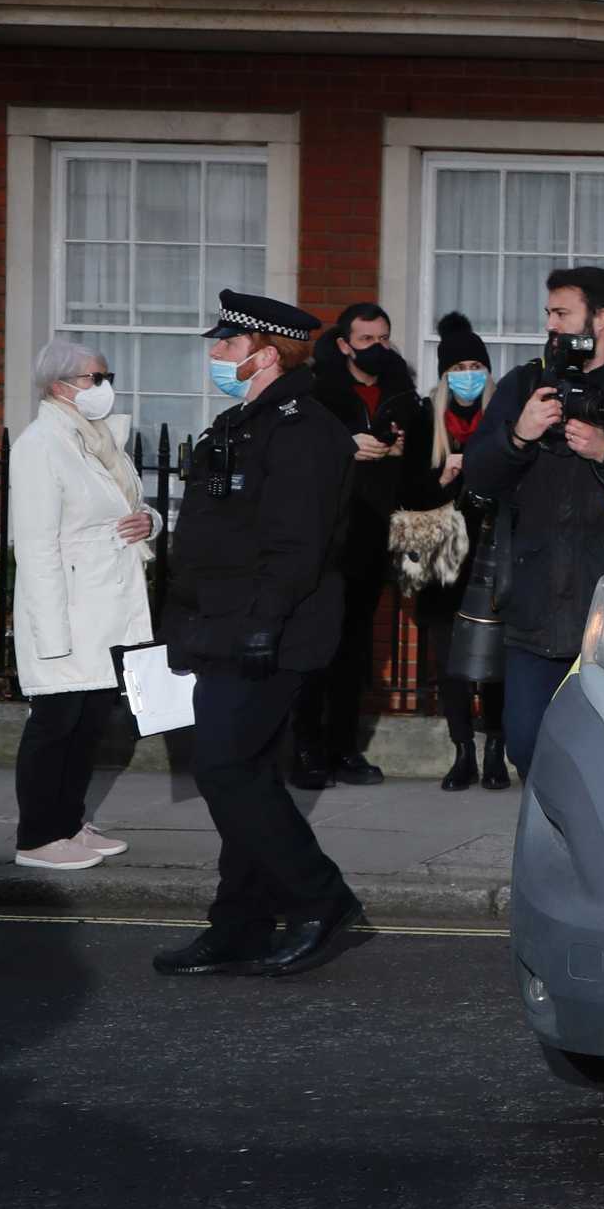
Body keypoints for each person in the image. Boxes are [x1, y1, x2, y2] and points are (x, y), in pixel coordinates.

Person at [151, 292, 362, 978]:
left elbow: (294, 546)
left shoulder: (303, 430)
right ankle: (238, 924)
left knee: (224, 768)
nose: (215, 355)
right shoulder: (243, 422)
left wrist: (260, 627)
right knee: (243, 772)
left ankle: (320, 898)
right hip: (225, 626)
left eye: (227, 346)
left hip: (267, 633)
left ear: (265, 355)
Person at [465, 268, 604, 766]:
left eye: (563, 313)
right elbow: (477, 479)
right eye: (549, 314)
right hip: (534, 604)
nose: (552, 325)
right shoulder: (524, 384)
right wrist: (517, 436)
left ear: (601, 317)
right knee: (524, 744)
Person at [7, 339, 154, 871]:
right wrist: (51, 632)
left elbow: (131, 507)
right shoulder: (40, 445)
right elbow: (37, 544)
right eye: (96, 377)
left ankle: (68, 824)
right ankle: (38, 837)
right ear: (60, 385)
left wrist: (151, 522)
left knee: (90, 718)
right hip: (67, 608)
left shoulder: (97, 440)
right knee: (56, 720)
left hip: (105, 606)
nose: (104, 386)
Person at [296, 302, 418, 789]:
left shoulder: (400, 391)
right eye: (367, 340)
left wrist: (407, 450)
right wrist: (347, 447)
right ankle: (306, 749)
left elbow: (421, 465)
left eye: (384, 338)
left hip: (372, 534)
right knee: (315, 646)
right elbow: (300, 456)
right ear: (345, 344)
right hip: (327, 536)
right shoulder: (317, 391)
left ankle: (343, 748)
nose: (378, 348)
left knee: (355, 650)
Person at [396, 313, 507, 793]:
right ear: (444, 373)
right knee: (450, 663)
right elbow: (404, 490)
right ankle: (462, 750)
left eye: (475, 365)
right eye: (458, 366)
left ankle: (496, 751)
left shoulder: (504, 416)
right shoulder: (425, 419)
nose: (468, 374)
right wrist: (442, 478)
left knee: (495, 660)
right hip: (442, 556)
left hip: (492, 555)